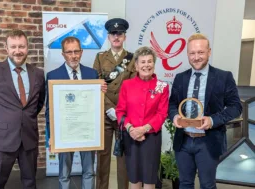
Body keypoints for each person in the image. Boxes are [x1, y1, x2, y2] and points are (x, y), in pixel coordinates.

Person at [168, 33, 242, 189]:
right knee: (185, 184)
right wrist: (174, 116)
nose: (196, 57)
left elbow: (236, 107)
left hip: (209, 141)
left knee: (207, 185)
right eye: (192, 53)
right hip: (184, 141)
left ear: (209, 52)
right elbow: (172, 104)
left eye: (200, 52)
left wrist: (212, 120)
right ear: (187, 54)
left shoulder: (224, 77)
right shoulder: (180, 77)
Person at [0, 29, 45, 189]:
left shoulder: (39, 74)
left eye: (21, 46)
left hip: (28, 138)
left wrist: (24, 120)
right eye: (13, 46)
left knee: (30, 183)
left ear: (27, 48)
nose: (18, 51)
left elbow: (39, 102)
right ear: (6, 49)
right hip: (1, 139)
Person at [45, 36, 107, 189]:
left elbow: (95, 104)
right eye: (69, 52)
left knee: (88, 171)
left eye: (76, 51)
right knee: (64, 174)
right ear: (63, 54)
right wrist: (50, 135)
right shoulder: (53, 76)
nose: (73, 55)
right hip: (64, 132)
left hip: (87, 131)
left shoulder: (92, 74)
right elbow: (49, 109)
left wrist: (102, 92)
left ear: (81, 52)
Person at [115, 46, 169, 189]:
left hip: (151, 138)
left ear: (154, 64)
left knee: (149, 178)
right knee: (134, 177)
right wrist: (131, 129)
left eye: (149, 61)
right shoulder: (127, 85)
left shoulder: (161, 86)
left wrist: (143, 129)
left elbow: (162, 113)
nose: (146, 65)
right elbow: (120, 111)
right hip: (130, 137)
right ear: (136, 66)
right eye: (143, 62)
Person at [93, 18, 136, 189]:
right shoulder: (100, 57)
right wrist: (109, 108)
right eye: (113, 34)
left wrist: (120, 112)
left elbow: (134, 87)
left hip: (124, 116)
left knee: (123, 159)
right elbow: (95, 86)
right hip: (104, 115)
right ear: (108, 37)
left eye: (120, 34)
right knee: (102, 158)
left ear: (124, 36)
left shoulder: (132, 59)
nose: (116, 37)